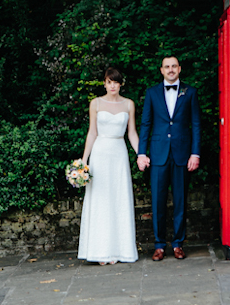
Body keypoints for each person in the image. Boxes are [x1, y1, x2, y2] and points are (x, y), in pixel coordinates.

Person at [137, 56, 201, 261]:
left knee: (181, 200)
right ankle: (159, 245)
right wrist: (141, 153)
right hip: (158, 154)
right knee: (158, 201)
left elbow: (196, 125)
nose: (171, 69)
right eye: (167, 67)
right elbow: (146, 124)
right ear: (161, 70)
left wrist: (195, 153)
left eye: (174, 66)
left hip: (182, 154)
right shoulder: (152, 93)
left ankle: (178, 243)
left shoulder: (190, 92)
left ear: (180, 69)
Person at [77, 67, 139, 265]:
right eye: (109, 82)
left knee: (118, 199)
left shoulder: (129, 104)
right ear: (104, 83)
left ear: (121, 84)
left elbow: (132, 133)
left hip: (119, 153)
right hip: (100, 153)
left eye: (116, 82)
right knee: (101, 200)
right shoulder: (95, 103)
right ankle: (100, 251)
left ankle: (119, 251)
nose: (113, 85)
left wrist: (142, 154)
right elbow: (92, 133)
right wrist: (84, 160)